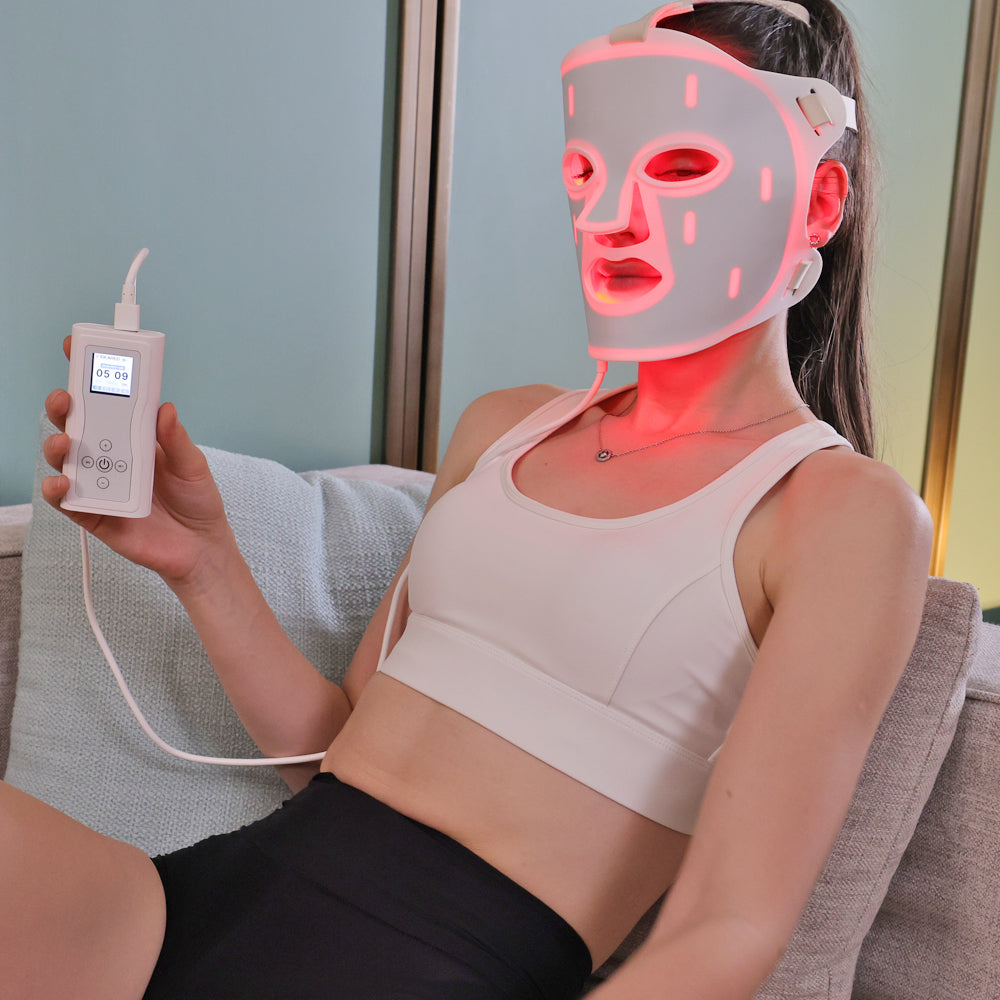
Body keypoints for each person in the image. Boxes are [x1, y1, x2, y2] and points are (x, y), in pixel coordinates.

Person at [3, 2, 932, 997]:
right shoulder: (502, 429)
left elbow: (726, 930)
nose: (612, 214)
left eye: (679, 169)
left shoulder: (842, 514)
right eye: (588, 173)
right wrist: (203, 559)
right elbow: (336, 752)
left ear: (818, 200)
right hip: (199, 902)